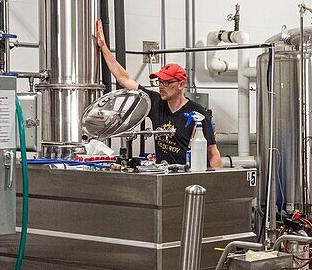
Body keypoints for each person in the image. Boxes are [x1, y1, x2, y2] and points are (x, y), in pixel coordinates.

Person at [95, 20, 222, 168]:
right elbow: (124, 79)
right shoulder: (155, 102)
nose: (161, 87)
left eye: (166, 83)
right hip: (164, 175)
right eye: (160, 82)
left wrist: (215, 185)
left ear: (181, 85)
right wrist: (103, 47)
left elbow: (212, 152)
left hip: (187, 178)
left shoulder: (197, 113)